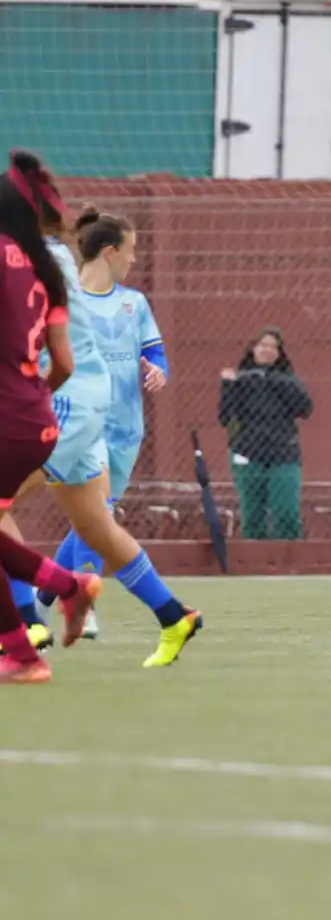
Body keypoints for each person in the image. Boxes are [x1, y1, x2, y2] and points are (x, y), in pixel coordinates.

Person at [33, 207, 168, 643]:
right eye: (130, 251)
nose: (134, 260)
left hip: (126, 424)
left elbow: (154, 351)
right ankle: (81, 605)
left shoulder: (134, 303)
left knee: (93, 520)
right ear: (109, 251)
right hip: (83, 418)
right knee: (98, 514)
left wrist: (156, 369)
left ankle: (43, 598)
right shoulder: (68, 297)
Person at [0, 150, 105, 680]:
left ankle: (23, 646)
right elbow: (64, 362)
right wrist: (30, 394)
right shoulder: (48, 270)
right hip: (36, 417)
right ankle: (62, 594)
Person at [219, 327, 313, 540]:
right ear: (252, 349)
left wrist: (272, 379)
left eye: (273, 347)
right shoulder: (240, 380)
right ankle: (254, 561)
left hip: (283, 453)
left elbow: (305, 408)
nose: (267, 350)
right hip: (247, 452)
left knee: (286, 511)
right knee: (253, 515)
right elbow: (225, 417)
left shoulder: (286, 380)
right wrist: (227, 385)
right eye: (262, 345)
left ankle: (289, 560)